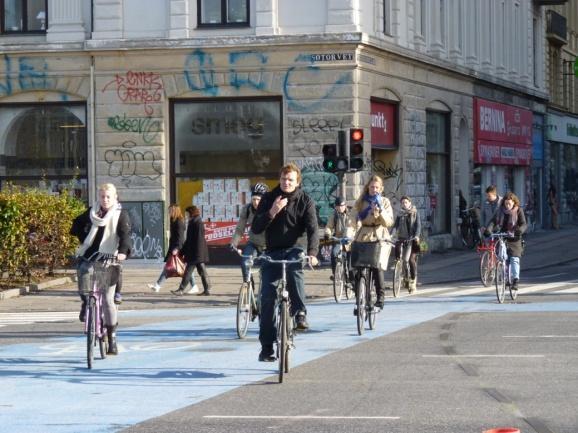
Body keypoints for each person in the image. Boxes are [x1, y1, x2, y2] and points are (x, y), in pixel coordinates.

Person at [251, 162, 319, 362]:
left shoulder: (305, 201)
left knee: (294, 272)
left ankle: (299, 313)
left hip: (294, 249)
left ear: (297, 181)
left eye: (290, 179)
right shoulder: (269, 198)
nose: (286, 182)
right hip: (272, 251)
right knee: (267, 298)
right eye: (283, 179)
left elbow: (313, 229)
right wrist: (272, 211)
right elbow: (255, 228)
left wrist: (313, 252)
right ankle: (266, 347)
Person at [70, 183, 131, 355]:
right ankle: (85, 303)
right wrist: (84, 239)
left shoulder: (121, 215)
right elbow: (76, 225)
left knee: (107, 299)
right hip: (90, 256)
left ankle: (111, 338)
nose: (105, 200)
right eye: (102, 196)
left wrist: (122, 253)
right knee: (83, 275)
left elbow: (125, 236)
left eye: (108, 197)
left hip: (108, 259)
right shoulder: (92, 212)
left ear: (115, 197)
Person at [352, 175, 394, 309]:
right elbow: (352, 218)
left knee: (377, 267)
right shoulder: (361, 201)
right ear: (367, 187)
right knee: (358, 268)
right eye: (371, 187)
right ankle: (360, 297)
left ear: (381, 189)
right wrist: (349, 234)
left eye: (376, 187)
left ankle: (380, 297)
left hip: (379, 236)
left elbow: (388, 222)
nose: (374, 189)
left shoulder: (385, 202)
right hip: (363, 235)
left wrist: (379, 211)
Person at [485, 191, 527, 291]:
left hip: (515, 238)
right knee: (504, 259)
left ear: (514, 203)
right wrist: (489, 230)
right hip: (503, 237)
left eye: (509, 203)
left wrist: (519, 230)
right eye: (506, 203)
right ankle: (506, 278)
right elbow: (493, 221)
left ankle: (515, 280)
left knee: (514, 259)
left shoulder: (518, 210)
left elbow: (524, 224)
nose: (507, 205)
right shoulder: (500, 211)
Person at [230, 183, 269, 282]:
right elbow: (240, 228)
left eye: (258, 200)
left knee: (268, 270)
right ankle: (248, 285)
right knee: (244, 263)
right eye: (253, 199)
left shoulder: (271, 209)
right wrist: (234, 243)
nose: (255, 202)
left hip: (269, 245)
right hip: (253, 243)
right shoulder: (247, 209)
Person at [172, 205, 212, 296]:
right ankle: (207, 289)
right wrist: (182, 252)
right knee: (202, 271)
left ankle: (181, 289)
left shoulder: (197, 223)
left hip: (196, 253)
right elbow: (189, 240)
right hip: (196, 253)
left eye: (187, 213)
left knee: (188, 272)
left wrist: (195, 254)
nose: (186, 215)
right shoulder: (193, 222)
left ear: (191, 213)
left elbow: (199, 240)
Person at [148, 204, 188, 292]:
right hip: (174, 247)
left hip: (178, 248)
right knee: (173, 267)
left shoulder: (179, 221)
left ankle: (158, 285)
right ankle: (157, 285)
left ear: (174, 211)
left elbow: (180, 237)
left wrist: (177, 248)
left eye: (170, 210)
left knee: (179, 268)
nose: (168, 212)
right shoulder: (173, 220)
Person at [392, 195, 421, 293]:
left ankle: (412, 280)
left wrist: (416, 235)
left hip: (411, 240)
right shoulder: (400, 214)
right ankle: (403, 275)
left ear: (410, 203)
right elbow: (395, 226)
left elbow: (418, 226)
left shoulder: (414, 213)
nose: (404, 204)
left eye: (406, 202)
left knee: (408, 260)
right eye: (403, 203)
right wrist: (391, 234)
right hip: (401, 238)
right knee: (398, 256)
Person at [324, 196, 355, 278]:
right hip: (338, 239)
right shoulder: (334, 215)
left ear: (345, 206)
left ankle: (352, 279)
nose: (340, 208)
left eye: (341, 206)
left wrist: (353, 235)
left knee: (350, 261)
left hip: (349, 240)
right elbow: (329, 226)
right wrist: (327, 234)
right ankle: (335, 274)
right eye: (337, 206)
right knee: (334, 254)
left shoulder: (351, 214)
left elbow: (356, 226)